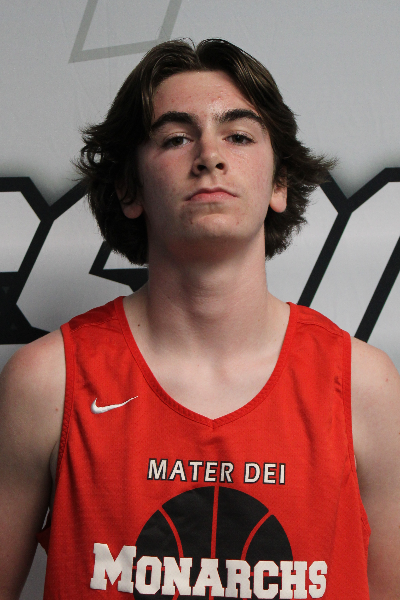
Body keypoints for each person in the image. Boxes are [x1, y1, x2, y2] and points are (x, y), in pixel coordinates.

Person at [0, 38, 399, 600]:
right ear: (129, 188)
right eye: (175, 138)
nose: (210, 155)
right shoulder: (48, 382)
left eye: (238, 136)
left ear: (279, 183)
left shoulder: (364, 387)